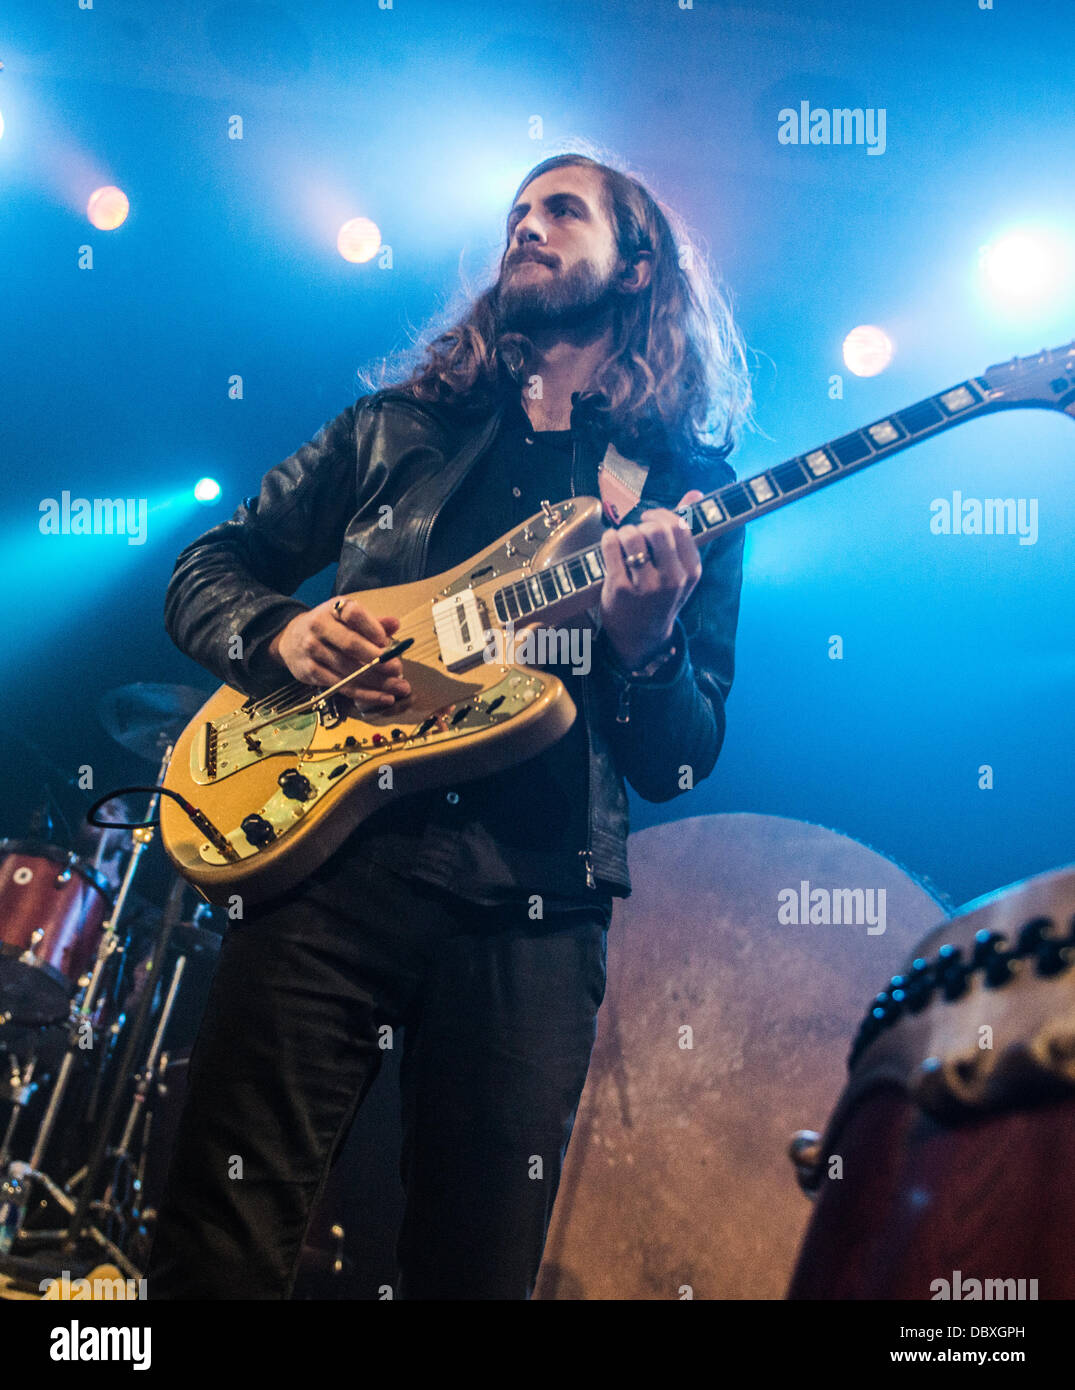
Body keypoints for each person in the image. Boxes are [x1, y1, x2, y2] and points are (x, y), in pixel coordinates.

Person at [146, 152, 750, 1300]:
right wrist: (277, 634)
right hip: (324, 868)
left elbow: (679, 754)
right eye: (517, 212)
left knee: (473, 1270)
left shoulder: (681, 488)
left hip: (532, 909)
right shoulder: (398, 426)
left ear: (635, 265)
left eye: (561, 211)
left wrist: (646, 640)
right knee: (216, 1248)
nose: (525, 226)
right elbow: (209, 566)